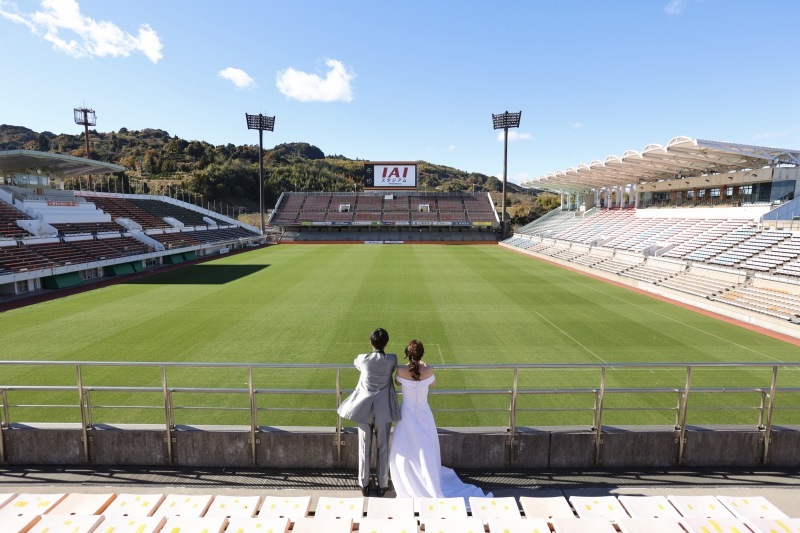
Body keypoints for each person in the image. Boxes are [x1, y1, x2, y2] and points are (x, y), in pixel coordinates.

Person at [390, 339, 491, 499]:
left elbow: (397, 382)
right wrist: (424, 365)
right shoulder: (428, 370)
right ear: (422, 353)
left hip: (407, 414)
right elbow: (433, 384)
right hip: (423, 413)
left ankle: (409, 479)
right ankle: (425, 477)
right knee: (426, 447)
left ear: (407, 354)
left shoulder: (401, 370)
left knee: (405, 447)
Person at [337, 327, 401, 497]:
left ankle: (364, 484)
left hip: (363, 409)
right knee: (383, 447)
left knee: (364, 446)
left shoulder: (362, 359)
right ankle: (382, 484)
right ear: (386, 343)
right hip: (384, 410)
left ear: (371, 342)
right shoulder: (392, 360)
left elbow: (357, 364)